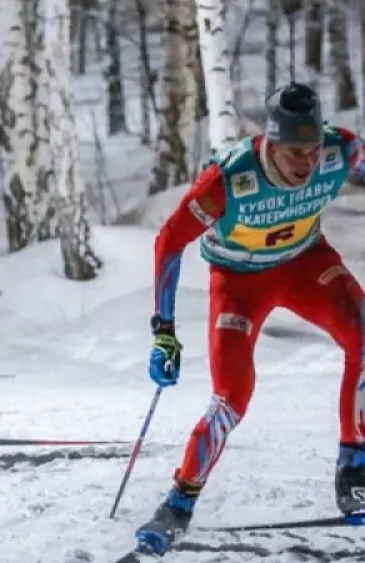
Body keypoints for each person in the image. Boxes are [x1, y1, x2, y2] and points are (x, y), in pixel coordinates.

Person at [135, 82, 365, 556]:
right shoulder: (228, 180)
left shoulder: (340, 149)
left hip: (306, 264)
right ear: (270, 144)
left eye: (312, 150)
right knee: (232, 398)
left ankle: (355, 468)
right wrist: (164, 332)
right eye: (293, 152)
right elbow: (169, 243)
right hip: (240, 283)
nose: (305, 163)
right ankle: (178, 504)